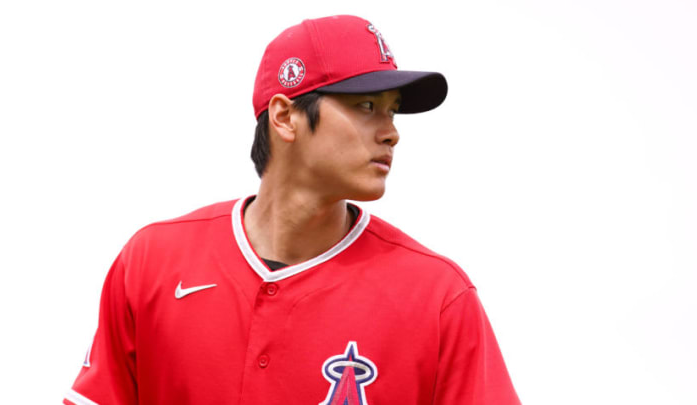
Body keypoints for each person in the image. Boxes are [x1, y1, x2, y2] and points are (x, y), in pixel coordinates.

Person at [64, 14, 521, 405]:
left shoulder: (439, 297)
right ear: (284, 117)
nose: (391, 133)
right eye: (366, 105)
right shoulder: (153, 261)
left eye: (393, 111)